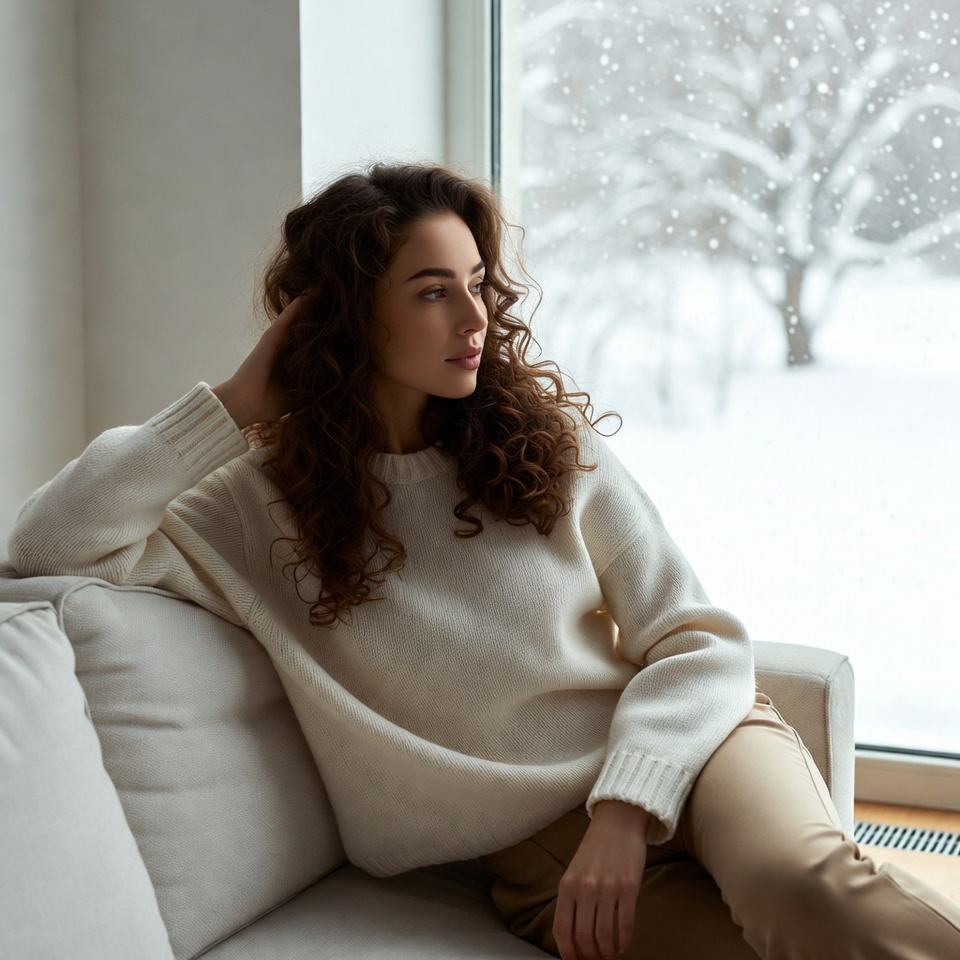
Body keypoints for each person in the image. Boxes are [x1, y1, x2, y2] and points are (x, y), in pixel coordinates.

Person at [7, 163, 960, 960]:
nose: (476, 316)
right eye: (433, 291)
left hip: (697, 754)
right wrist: (236, 401)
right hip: (539, 863)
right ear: (346, 318)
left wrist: (628, 808)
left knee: (810, 896)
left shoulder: (551, 444)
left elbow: (696, 638)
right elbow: (43, 549)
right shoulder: (249, 512)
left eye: (478, 283)